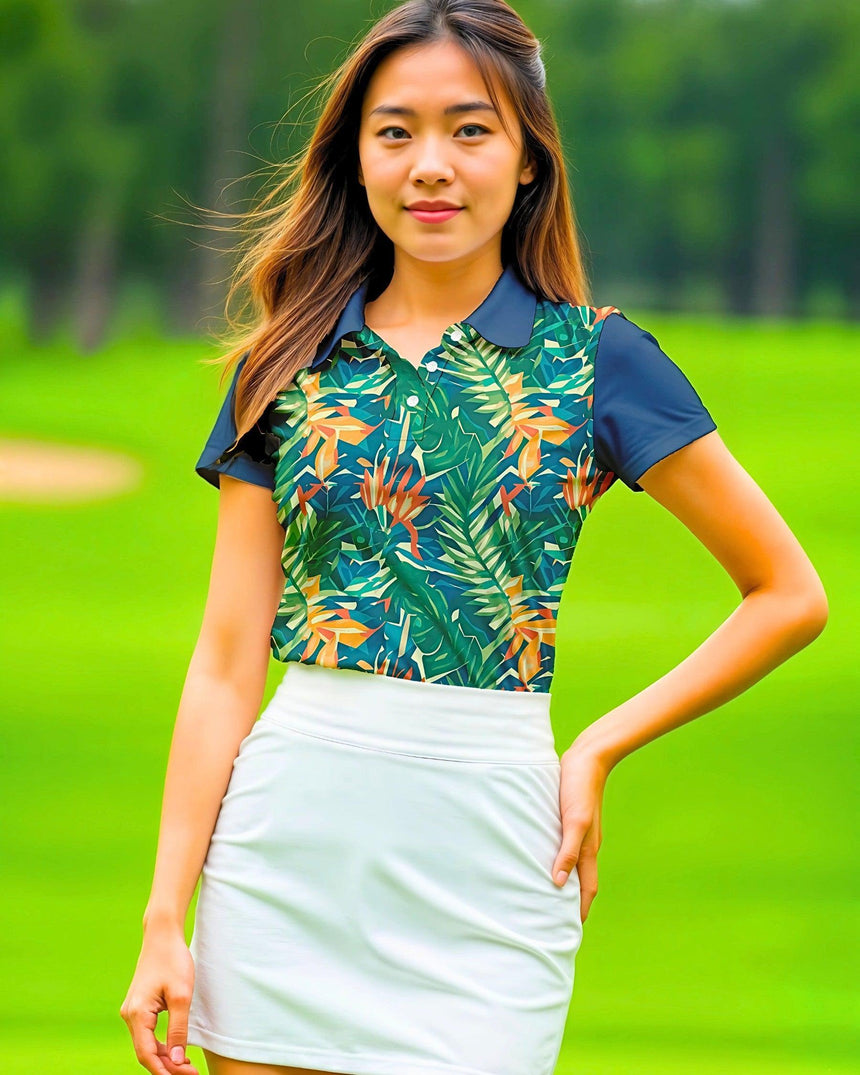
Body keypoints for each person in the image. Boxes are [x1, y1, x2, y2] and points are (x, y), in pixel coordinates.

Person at [119, 2, 828, 1074]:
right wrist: (164, 917)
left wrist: (596, 744)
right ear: (354, 159)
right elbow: (225, 663)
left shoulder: (598, 362)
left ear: (528, 158)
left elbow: (786, 591)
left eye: (469, 129)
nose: (430, 165)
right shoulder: (287, 366)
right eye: (394, 131)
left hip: (489, 848)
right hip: (285, 854)